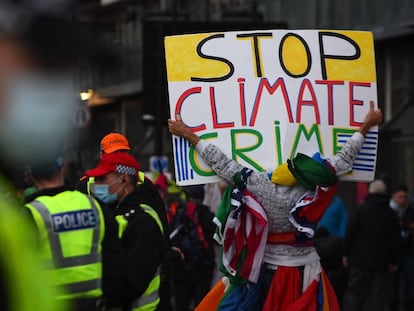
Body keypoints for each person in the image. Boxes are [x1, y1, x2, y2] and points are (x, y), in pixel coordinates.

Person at [168, 100, 382, 310]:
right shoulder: (312, 181)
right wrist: (366, 125)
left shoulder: (256, 182)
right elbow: (344, 159)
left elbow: (221, 162)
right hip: (305, 272)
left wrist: (187, 134)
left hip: (263, 271)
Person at [23, 153, 106, 310]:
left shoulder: (30, 214)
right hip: (92, 304)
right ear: (64, 168)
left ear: (29, 176)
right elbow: (114, 262)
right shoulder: (93, 205)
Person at [84, 152, 166, 311]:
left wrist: (102, 297)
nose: (96, 184)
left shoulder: (143, 221)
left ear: (123, 179)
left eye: (102, 179)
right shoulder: (119, 212)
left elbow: (133, 282)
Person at [341, 179, 401, 311]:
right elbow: (396, 239)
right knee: (378, 297)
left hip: (359, 261)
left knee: (355, 295)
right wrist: (394, 260)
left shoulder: (360, 210)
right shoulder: (391, 214)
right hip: (382, 262)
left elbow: (350, 233)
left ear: (370, 192)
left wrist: (346, 254)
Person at [168, 185, 216, 311]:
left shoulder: (179, 213)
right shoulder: (209, 215)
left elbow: (171, 237)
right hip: (203, 269)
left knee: (181, 305)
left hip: (182, 269)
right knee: (202, 305)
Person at [314, 195, 348, 304]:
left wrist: (342, 243)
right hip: (317, 245)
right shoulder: (313, 200)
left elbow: (344, 223)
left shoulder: (337, 203)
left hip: (333, 248)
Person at [390, 185, 414, 311]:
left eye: (405, 197)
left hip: (408, 252)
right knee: (393, 286)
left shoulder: (410, 210)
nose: (403, 199)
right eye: (400, 197)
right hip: (394, 253)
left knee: (409, 284)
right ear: (394, 197)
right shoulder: (389, 210)